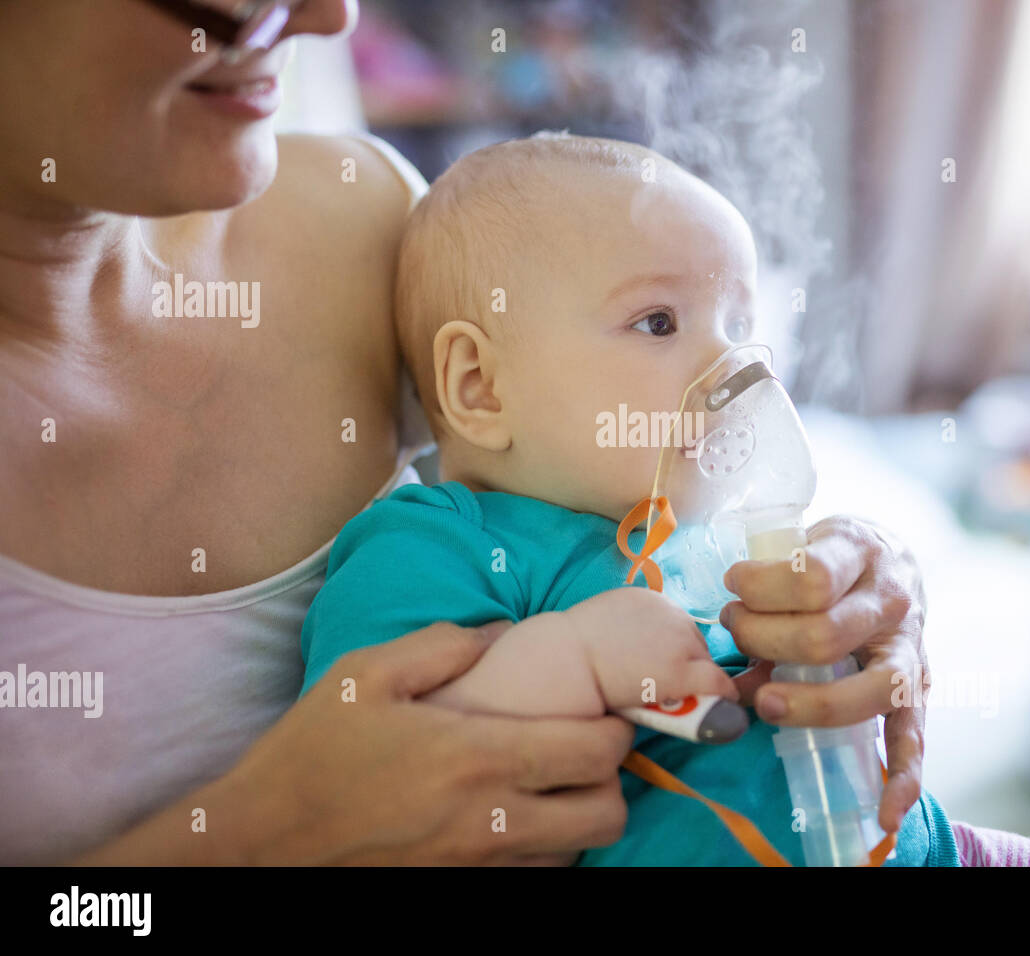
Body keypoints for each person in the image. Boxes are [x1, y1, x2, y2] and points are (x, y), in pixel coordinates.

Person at [0, 0, 932, 866]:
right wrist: (259, 838)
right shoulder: (441, 550)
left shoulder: (360, 213)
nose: (333, 15)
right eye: (658, 323)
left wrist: (863, 590)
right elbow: (427, 704)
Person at [299, 133, 1030, 866]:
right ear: (479, 386)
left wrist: (841, 619)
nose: (735, 364)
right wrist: (573, 661)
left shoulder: (720, 536)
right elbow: (375, 770)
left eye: (740, 323)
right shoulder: (437, 548)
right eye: (658, 322)